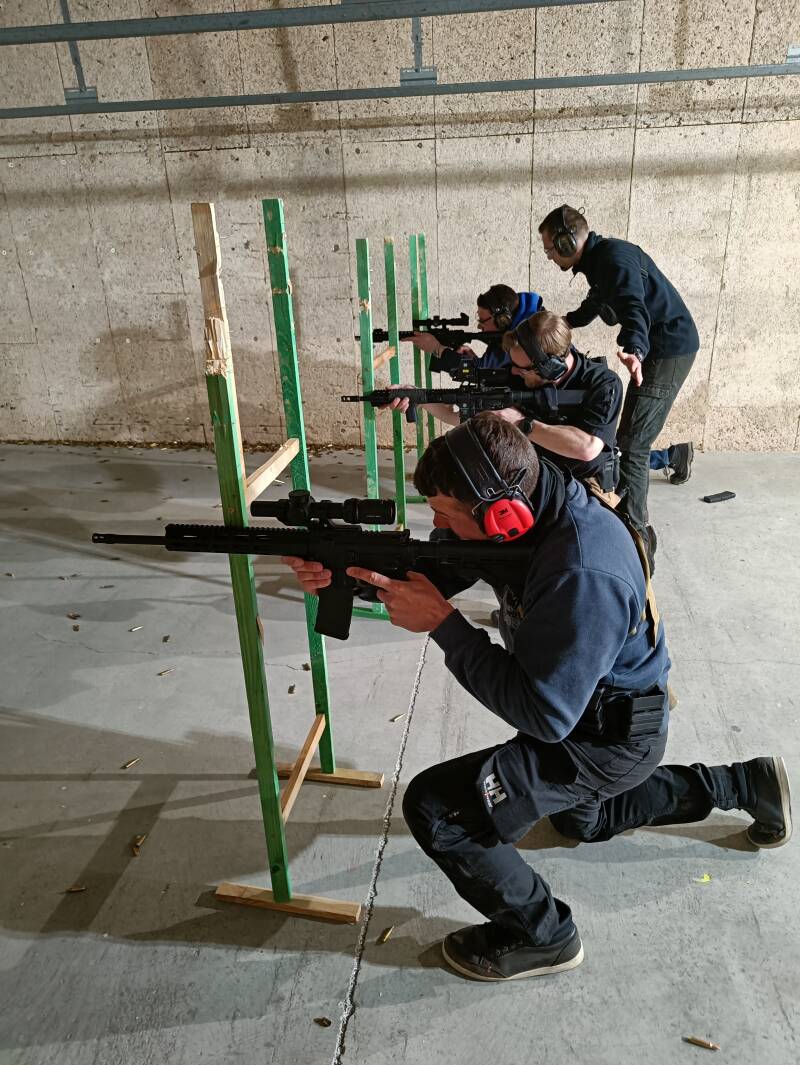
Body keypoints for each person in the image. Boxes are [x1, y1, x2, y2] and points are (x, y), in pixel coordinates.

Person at [282, 413, 792, 982]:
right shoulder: (534, 498)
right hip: (598, 711)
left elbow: (544, 717)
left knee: (438, 809)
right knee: (582, 822)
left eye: (446, 512)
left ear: (501, 515)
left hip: (604, 737)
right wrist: (350, 575)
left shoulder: (582, 570)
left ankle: (542, 936)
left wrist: (446, 627)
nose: (437, 523)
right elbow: (442, 567)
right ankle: (742, 784)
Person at [538, 204, 698, 565]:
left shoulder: (614, 260)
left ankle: (638, 536)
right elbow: (597, 302)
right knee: (628, 439)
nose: (549, 256)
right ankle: (671, 459)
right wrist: (561, 324)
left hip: (668, 349)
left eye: (550, 249)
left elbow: (634, 309)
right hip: (658, 347)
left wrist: (635, 349)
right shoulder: (600, 261)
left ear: (566, 242)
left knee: (633, 443)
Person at [383, 310, 622, 491]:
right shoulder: (516, 376)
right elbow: (459, 415)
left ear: (550, 367)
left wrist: (522, 423)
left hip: (584, 487)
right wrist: (419, 397)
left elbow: (587, 448)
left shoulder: (603, 383)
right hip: (533, 481)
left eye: (522, 368)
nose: (514, 372)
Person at [409, 284, 543, 371]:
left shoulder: (523, 339)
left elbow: (479, 370)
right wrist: (472, 358)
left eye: (483, 321)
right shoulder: (520, 319)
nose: (479, 326)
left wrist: (437, 349)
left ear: (502, 321)